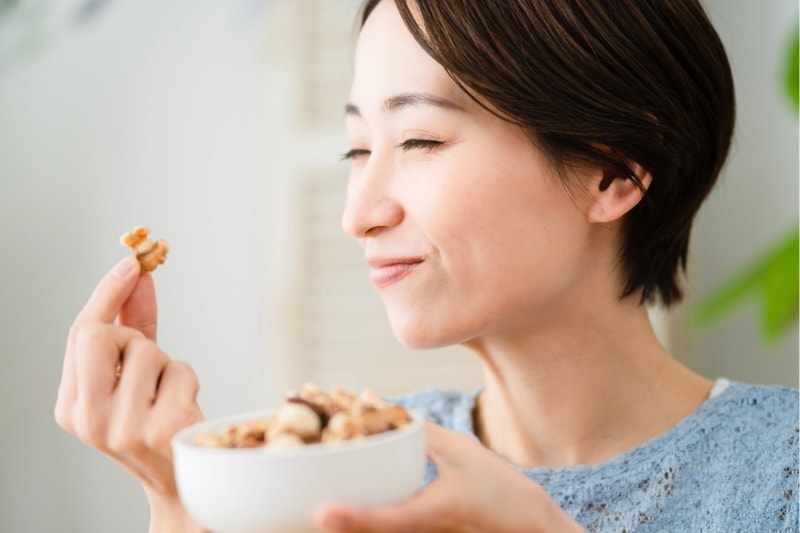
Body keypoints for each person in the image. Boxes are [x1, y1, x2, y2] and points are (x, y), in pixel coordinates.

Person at [55, 0, 799, 531]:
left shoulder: (782, 470)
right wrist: (181, 501)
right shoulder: (354, 464)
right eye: (357, 150)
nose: (358, 213)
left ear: (614, 172)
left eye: (418, 141)